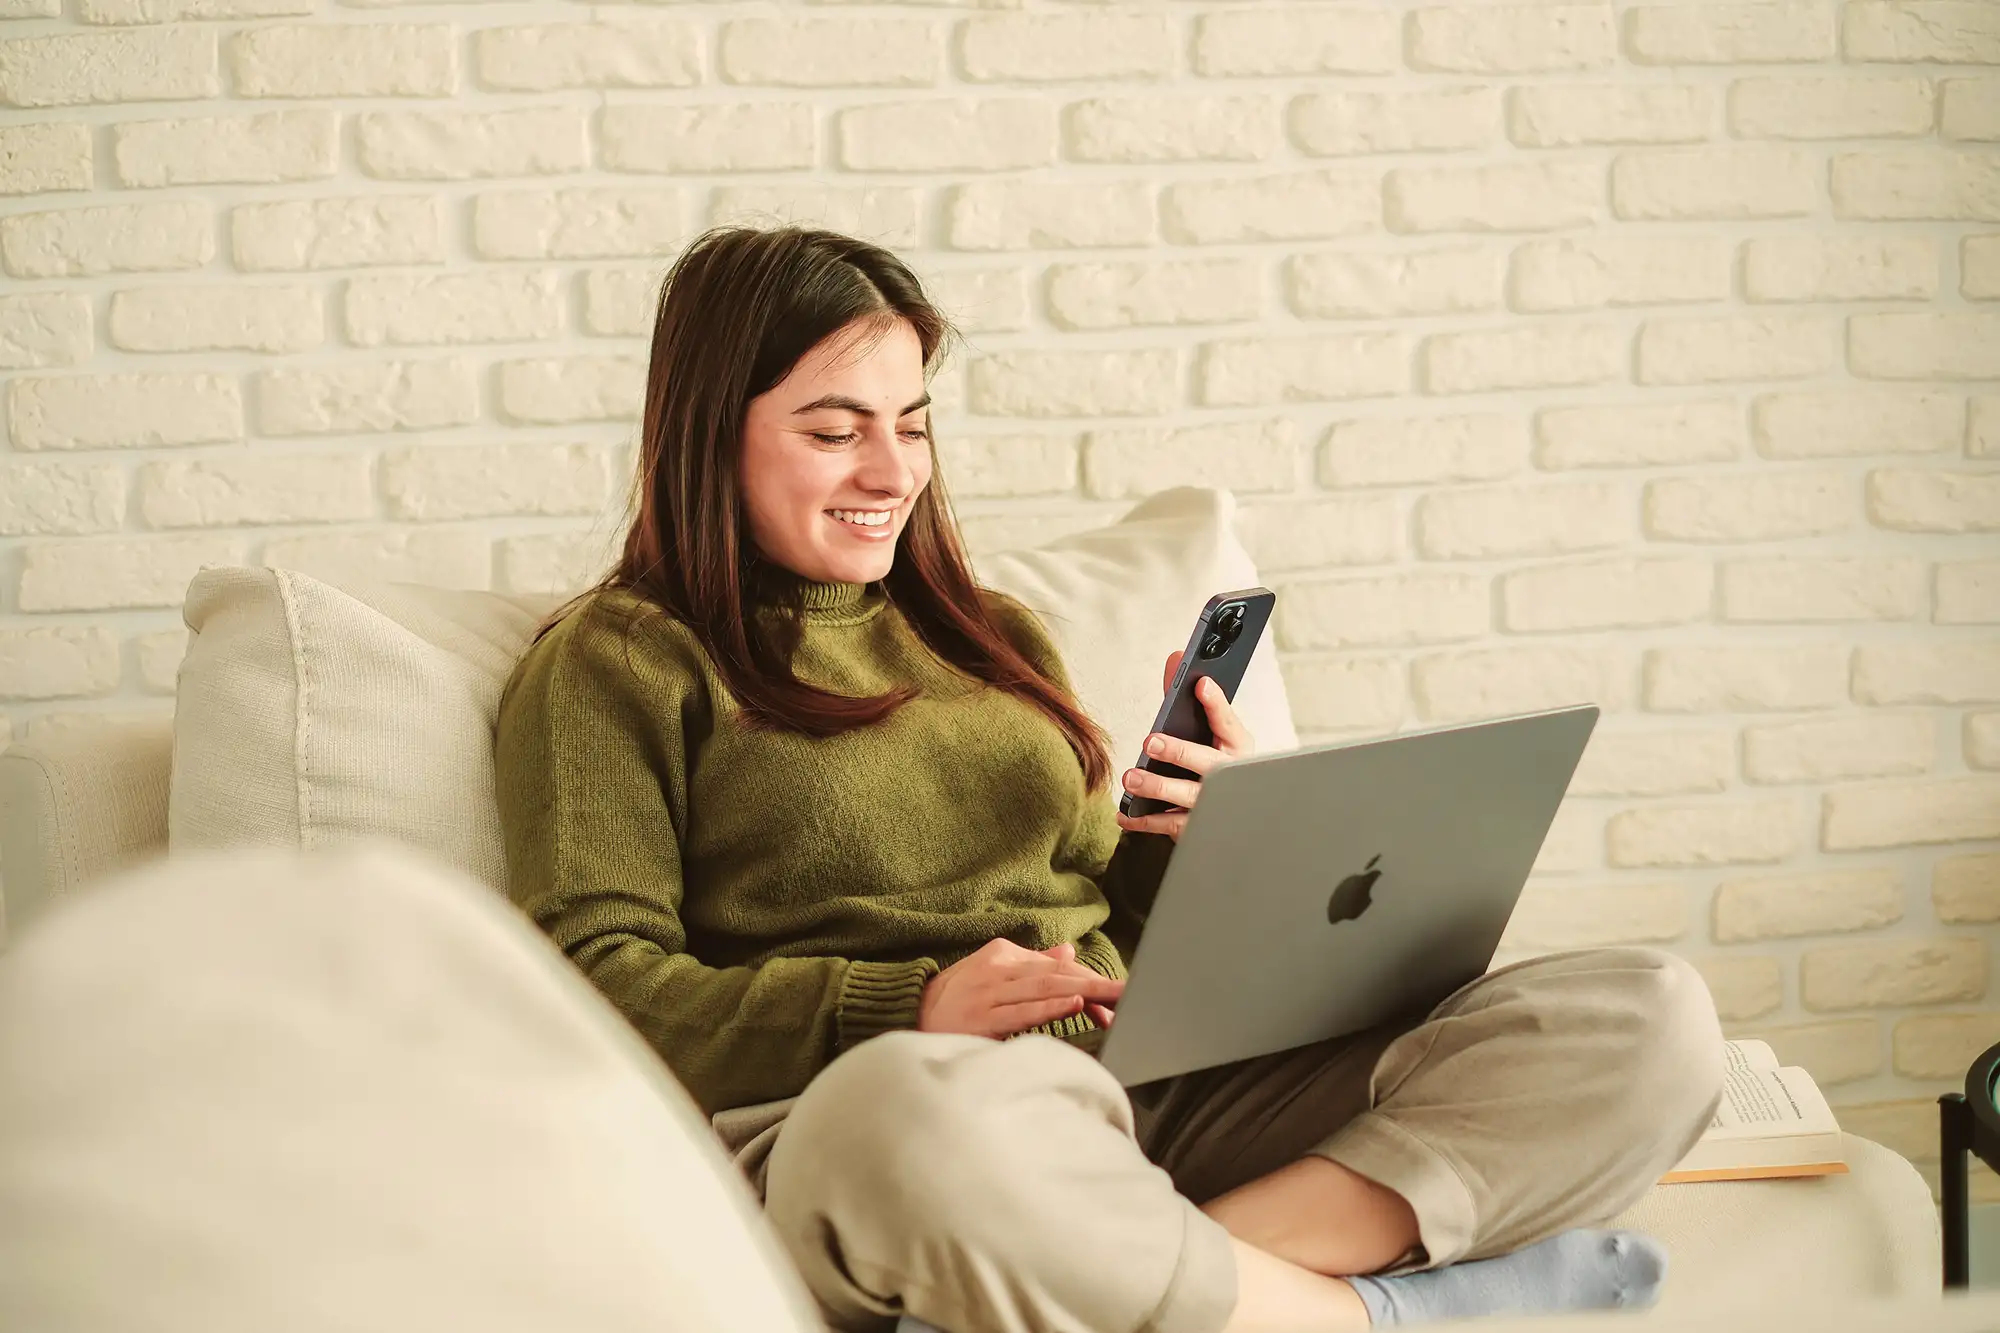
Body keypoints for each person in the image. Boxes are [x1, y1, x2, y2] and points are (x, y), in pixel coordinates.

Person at [491, 224, 1728, 1333]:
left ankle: (1141, 1287)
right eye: (833, 430)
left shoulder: (992, 635)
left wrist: (1217, 849)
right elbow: (592, 992)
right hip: (909, 1116)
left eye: (911, 423)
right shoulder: (619, 662)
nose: (890, 473)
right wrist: (902, 1009)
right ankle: (1372, 1311)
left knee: (1642, 1020)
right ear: (711, 430)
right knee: (906, 1122)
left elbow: (1101, 913)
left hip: (1138, 1088)